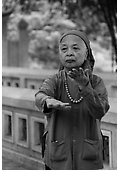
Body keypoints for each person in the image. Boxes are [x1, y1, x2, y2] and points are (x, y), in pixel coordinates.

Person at [35, 30, 110, 170]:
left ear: (87, 52)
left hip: (88, 158)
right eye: (64, 49)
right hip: (57, 156)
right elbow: (40, 95)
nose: (69, 53)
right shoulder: (55, 80)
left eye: (75, 48)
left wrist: (85, 86)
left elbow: (100, 111)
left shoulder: (96, 82)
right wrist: (47, 101)